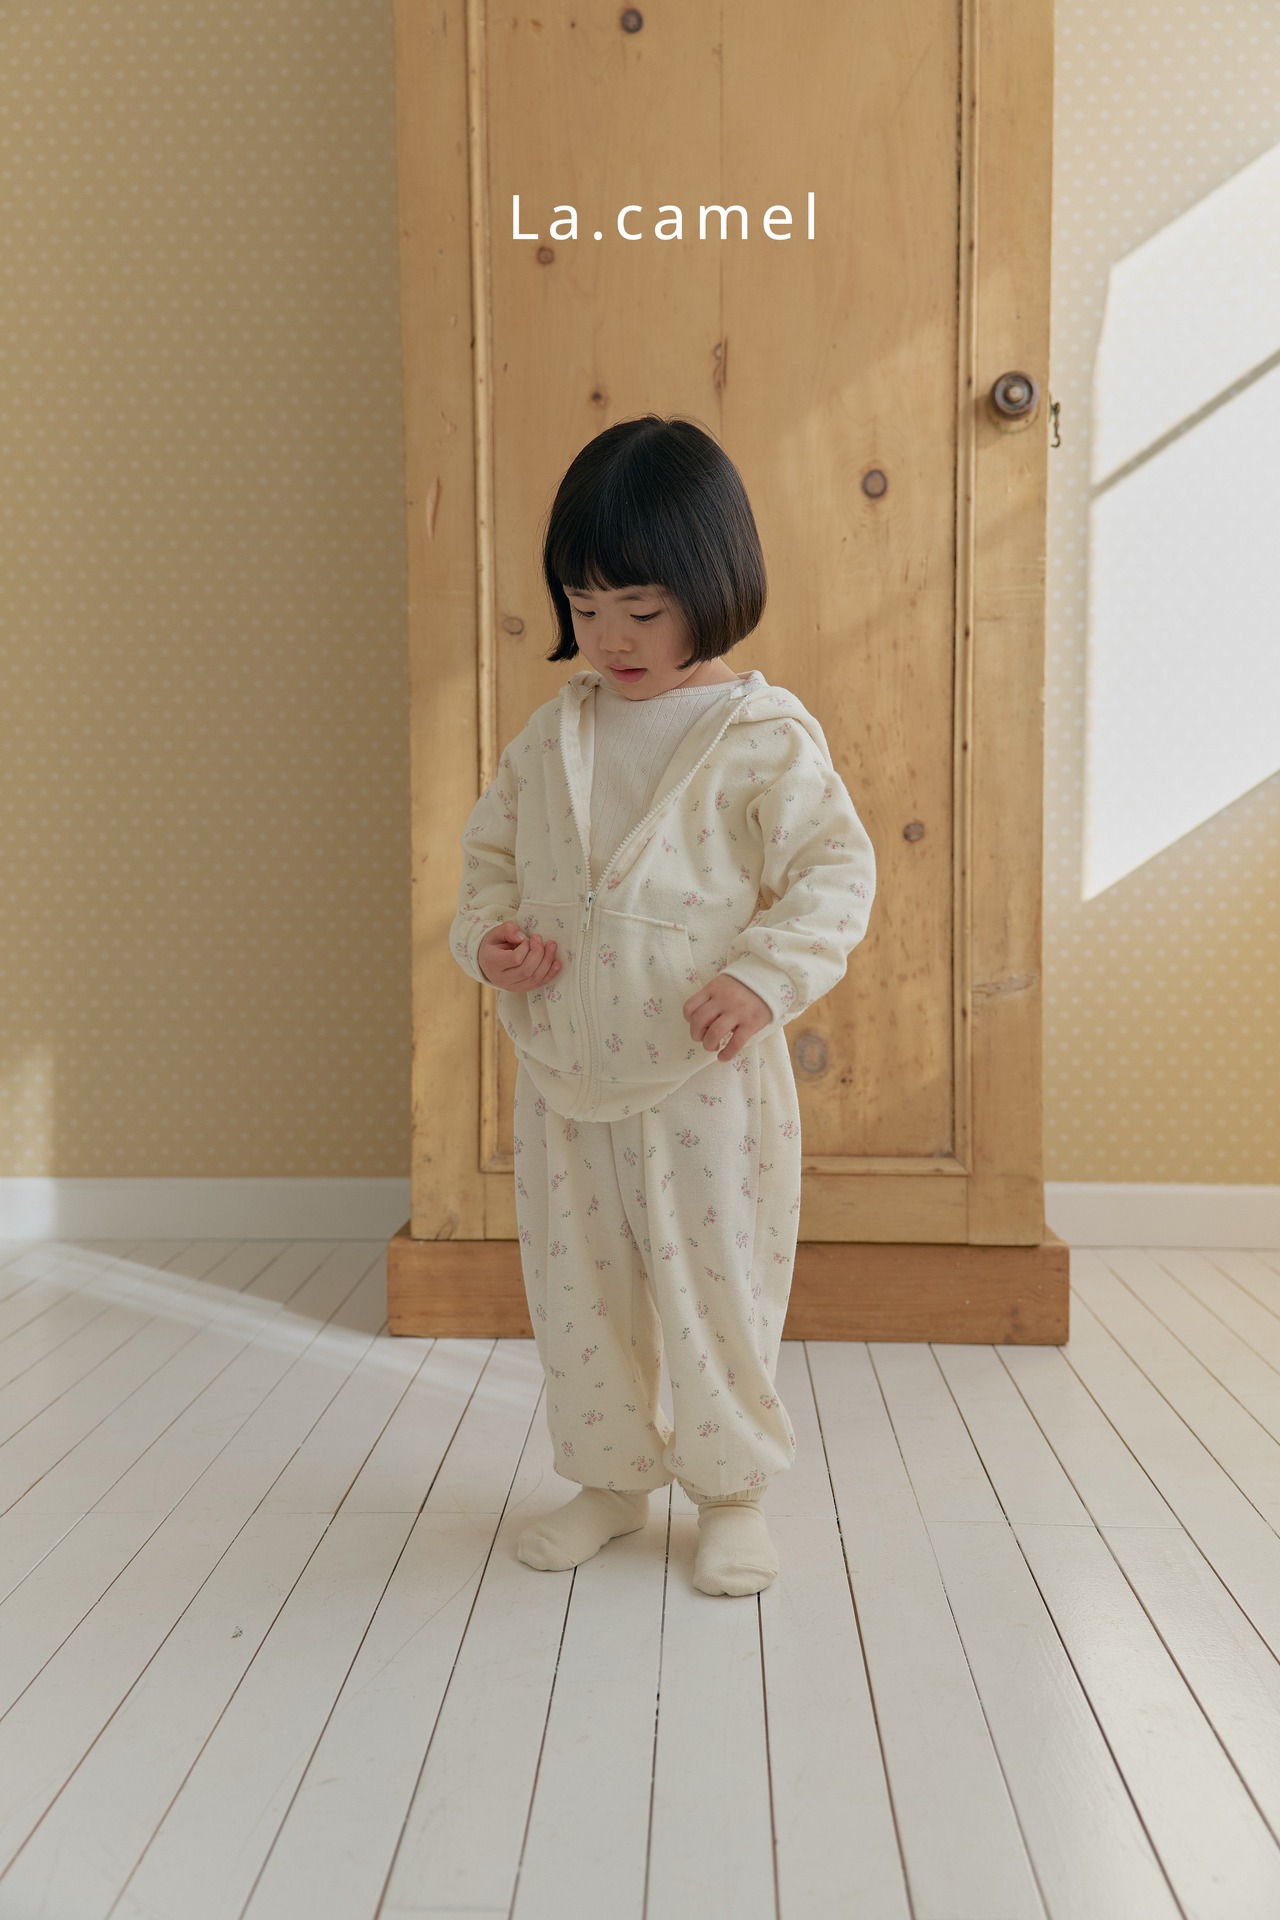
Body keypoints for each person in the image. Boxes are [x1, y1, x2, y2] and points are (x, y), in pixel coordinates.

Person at [448, 414, 876, 1597]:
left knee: (713, 1290)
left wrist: (762, 977)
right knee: (576, 1292)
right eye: (585, 607)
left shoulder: (760, 736)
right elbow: (486, 868)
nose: (610, 637)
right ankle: (607, 1480)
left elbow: (833, 874)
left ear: (710, 586)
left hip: (702, 1080)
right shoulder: (552, 736)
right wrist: (490, 942)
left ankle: (731, 1495)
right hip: (565, 1075)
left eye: (640, 609)